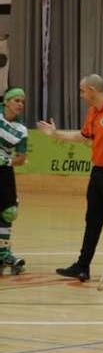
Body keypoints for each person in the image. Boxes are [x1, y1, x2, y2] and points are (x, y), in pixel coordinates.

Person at [40, 74, 103, 282]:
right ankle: (82, 267)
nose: (82, 95)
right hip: (98, 171)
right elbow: (83, 136)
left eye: (83, 91)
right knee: (92, 220)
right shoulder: (93, 112)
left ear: (92, 89)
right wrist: (55, 134)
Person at [0, 87, 28, 274]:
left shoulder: (21, 130)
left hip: (4, 171)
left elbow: (21, 158)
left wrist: (6, 160)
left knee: (8, 211)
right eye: (16, 100)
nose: (20, 104)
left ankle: (3, 251)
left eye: (22, 102)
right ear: (6, 101)